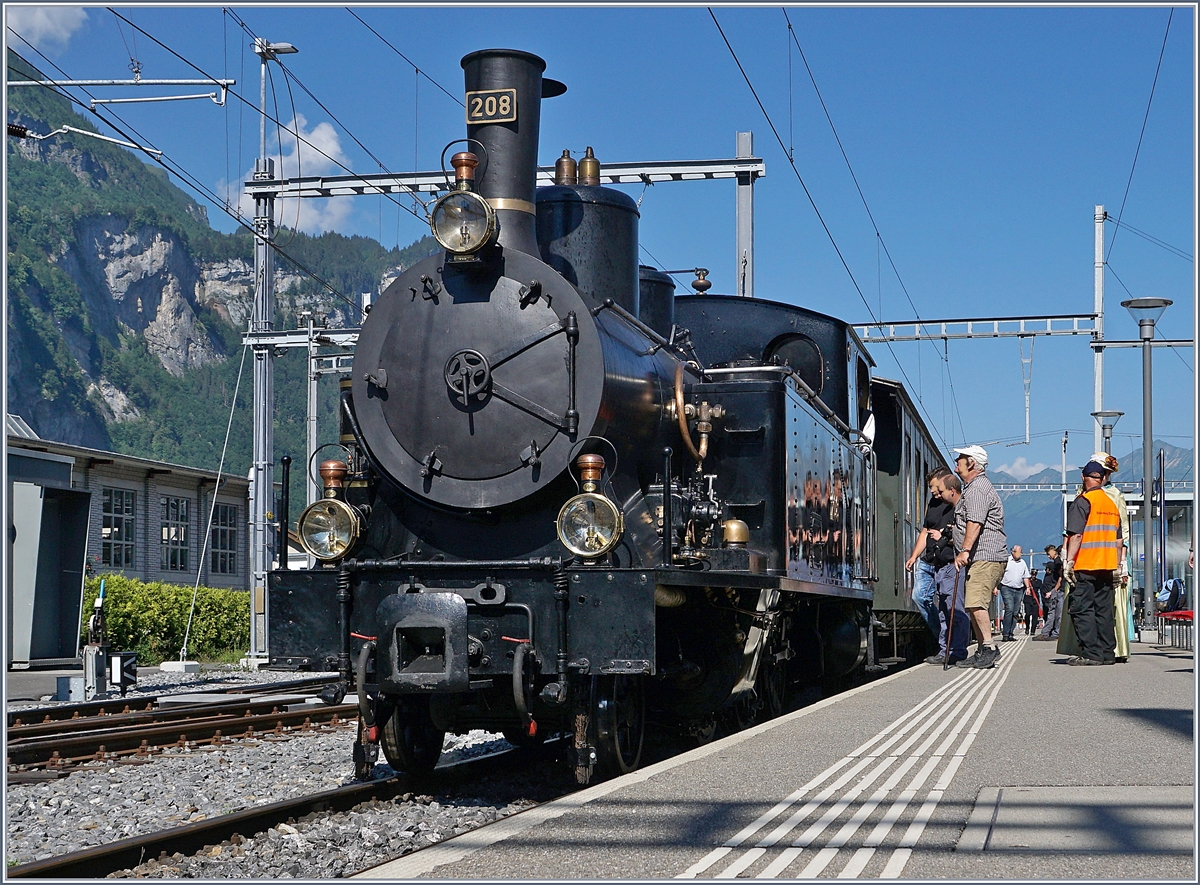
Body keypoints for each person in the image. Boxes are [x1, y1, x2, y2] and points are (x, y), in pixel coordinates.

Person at [949, 445, 1008, 669]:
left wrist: (964, 550)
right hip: (982, 556)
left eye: (960, 459)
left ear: (971, 463)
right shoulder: (974, 488)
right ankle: (984, 648)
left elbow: (975, 522)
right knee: (973, 603)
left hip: (985, 555)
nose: (956, 462)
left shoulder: (977, 489)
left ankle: (990, 648)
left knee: (975, 602)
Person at [1061, 459, 1124, 665]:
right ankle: (1107, 653)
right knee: (1104, 610)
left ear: (1083, 478)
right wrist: (1117, 566)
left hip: (1085, 564)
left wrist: (1069, 562)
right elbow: (1118, 540)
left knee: (1082, 608)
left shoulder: (1083, 501)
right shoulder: (1111, 504)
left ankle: (1091, 653)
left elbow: (1076, 536)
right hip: (1106, 566)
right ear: (1103, 478)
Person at [904, 467, 954, 642]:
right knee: (919, 597)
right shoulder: (932, 503)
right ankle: (940, 636)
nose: (932, 491)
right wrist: (914, 556)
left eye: (934, 486)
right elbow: (925, 531)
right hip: (928, 560)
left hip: (946, 561)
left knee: (946, 605)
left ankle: (946, 641)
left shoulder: (955, 503)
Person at [1092, 452, 1134, 661]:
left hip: (1112, 554)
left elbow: (1123, 529)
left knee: (1113, 602)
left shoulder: (1115, 495)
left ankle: (1115, 648)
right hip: (1090, 555)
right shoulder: (1084, 491)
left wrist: (1122, 561)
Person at [927, 472, 970, 665]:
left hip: (953, 563)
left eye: (940, 490)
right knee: (944, 610)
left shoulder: (962, 507)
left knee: (955, 609)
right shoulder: (945, 507)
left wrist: (947, 538)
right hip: (941, 564)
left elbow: (966, 535)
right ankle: (946, 649)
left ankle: (958, 651)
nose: (938, 494)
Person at [997, 545, 1033, 642]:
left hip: (1019, 589)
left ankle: (1010, 633)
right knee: (1009, 609)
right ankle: (1005, 633)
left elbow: (1026, 576)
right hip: (1006, 587)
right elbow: (999, 574)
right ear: (1013, 552)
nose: (1020, 554)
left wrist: (1028, 588)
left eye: (1021, 552)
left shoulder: (1022, 563)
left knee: (1015, 612)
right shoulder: (1007, 561)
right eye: (1018, 552)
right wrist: (996, 587)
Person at [1034, 544, 1064, 640]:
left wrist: (1054, 590)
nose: (1048, 556)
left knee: (1057, 613)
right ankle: (1046, 633)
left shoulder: (1058, 562)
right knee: (1052, 612)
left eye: (1048, 553)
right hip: (1056, 589)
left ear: (1053, 551)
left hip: (1058, 589)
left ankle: (1055, 633)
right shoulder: (1056, 562)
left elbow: (1061, 577)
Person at [1024, 569, 1043, 635]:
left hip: (1035, 599)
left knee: (1035, 616)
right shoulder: (1027, 581)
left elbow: (1042, 590)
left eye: (1035, 574)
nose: (1033, 576)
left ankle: (1033, 630)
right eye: (1032, 574)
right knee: (1027, 614)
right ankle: (1027, 627)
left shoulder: (1039, 581)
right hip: (1028, 599)